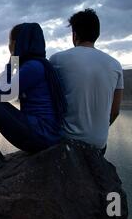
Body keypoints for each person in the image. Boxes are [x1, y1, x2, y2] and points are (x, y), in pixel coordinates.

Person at [0, 23, 67, 171]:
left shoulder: (32, 67)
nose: (8, 45)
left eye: (10, 42)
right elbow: (4, 92)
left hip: (41, 135)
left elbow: (5, 93)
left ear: (17, 43)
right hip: (44, 133)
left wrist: (11, 62)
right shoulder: (38, 64)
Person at [49, 9, 123, 153]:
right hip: (99, 145)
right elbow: (115, 111)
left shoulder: (57, 59)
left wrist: (14, 58)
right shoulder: (115, 65)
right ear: (97, 34)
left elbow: (13, 93)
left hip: (67, 141)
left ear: (74, 34)